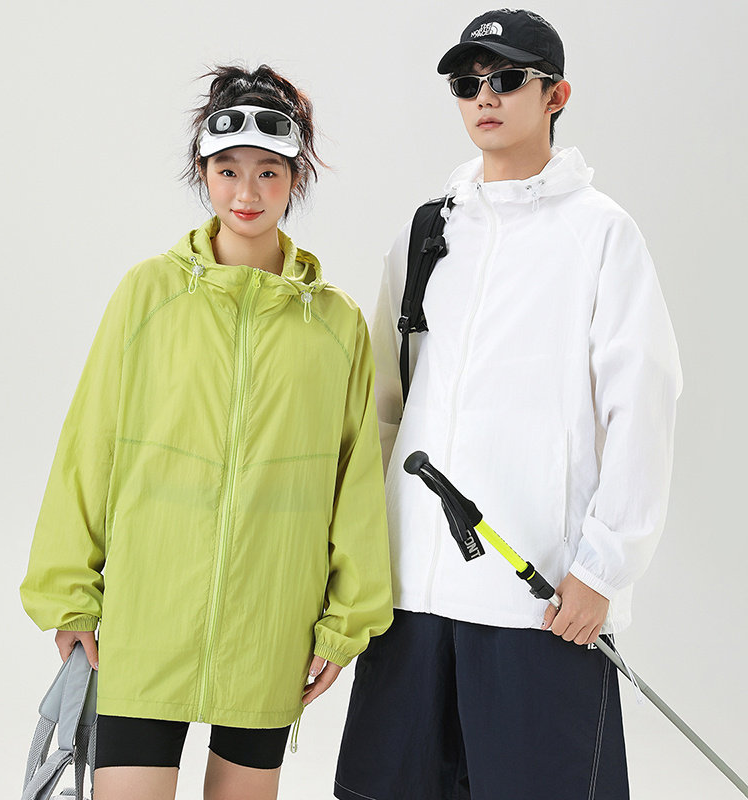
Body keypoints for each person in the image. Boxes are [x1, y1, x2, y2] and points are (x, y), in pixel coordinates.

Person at [20, 63, 393, 800]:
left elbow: (356, 483)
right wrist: (70, 595)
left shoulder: (336, 323)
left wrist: (344, 622)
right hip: (146, 618)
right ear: (204, 172)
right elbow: (88, 445)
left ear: (296, 177)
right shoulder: (148, 293)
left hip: (271, 624)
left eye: (268, 173)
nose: (247, 193)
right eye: (228, 171)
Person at [335, 9, 682, 800]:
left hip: (539, 598)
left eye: (507, 78)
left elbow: (643, 405)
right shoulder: (426, 232)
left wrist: (601, 570)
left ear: (557, 94)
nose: (484, 96)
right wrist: (360, 562)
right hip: (409, 594)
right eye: (467, 83)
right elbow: (385, 408)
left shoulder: (602, 234)